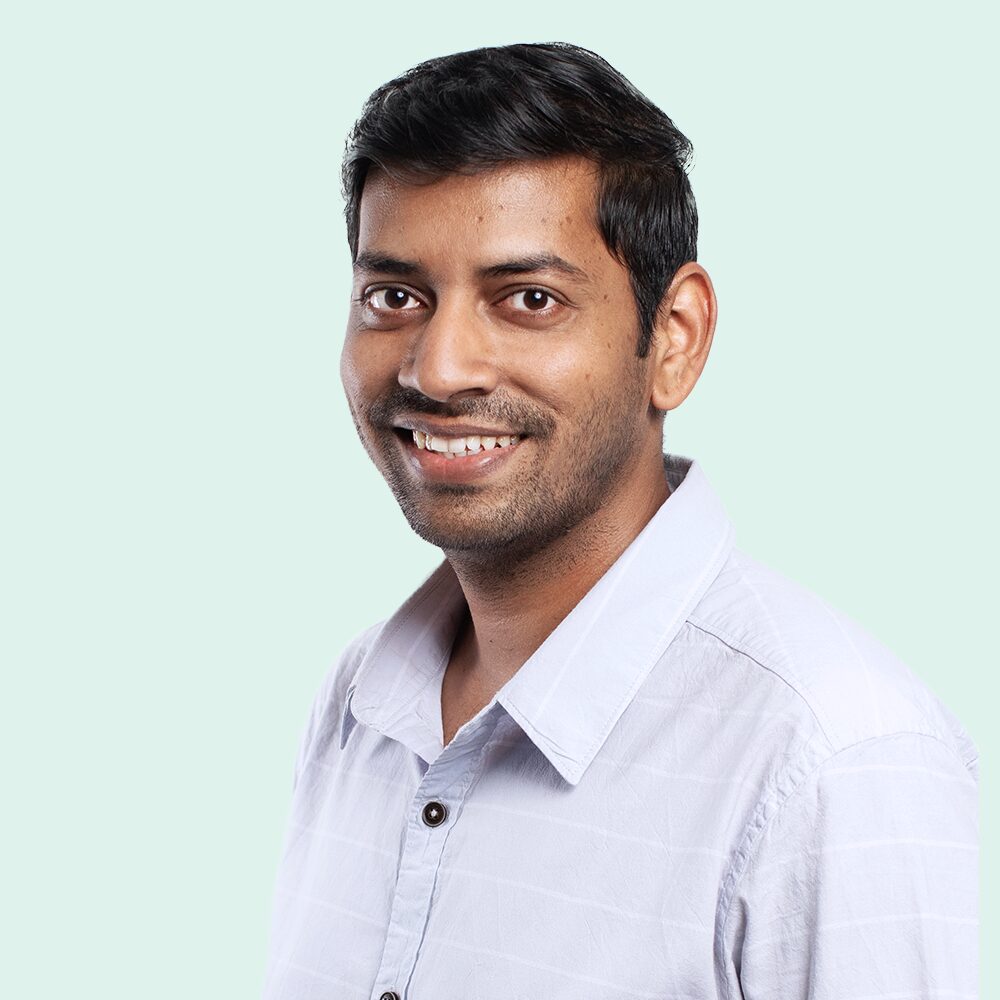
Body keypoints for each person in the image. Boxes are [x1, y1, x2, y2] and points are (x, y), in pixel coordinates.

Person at [262, 41, 979, 1000]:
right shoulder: (356, 707)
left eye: (529, 300)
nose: (438, 369)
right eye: (395, 297)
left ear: (673, 339)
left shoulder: (832, 759)